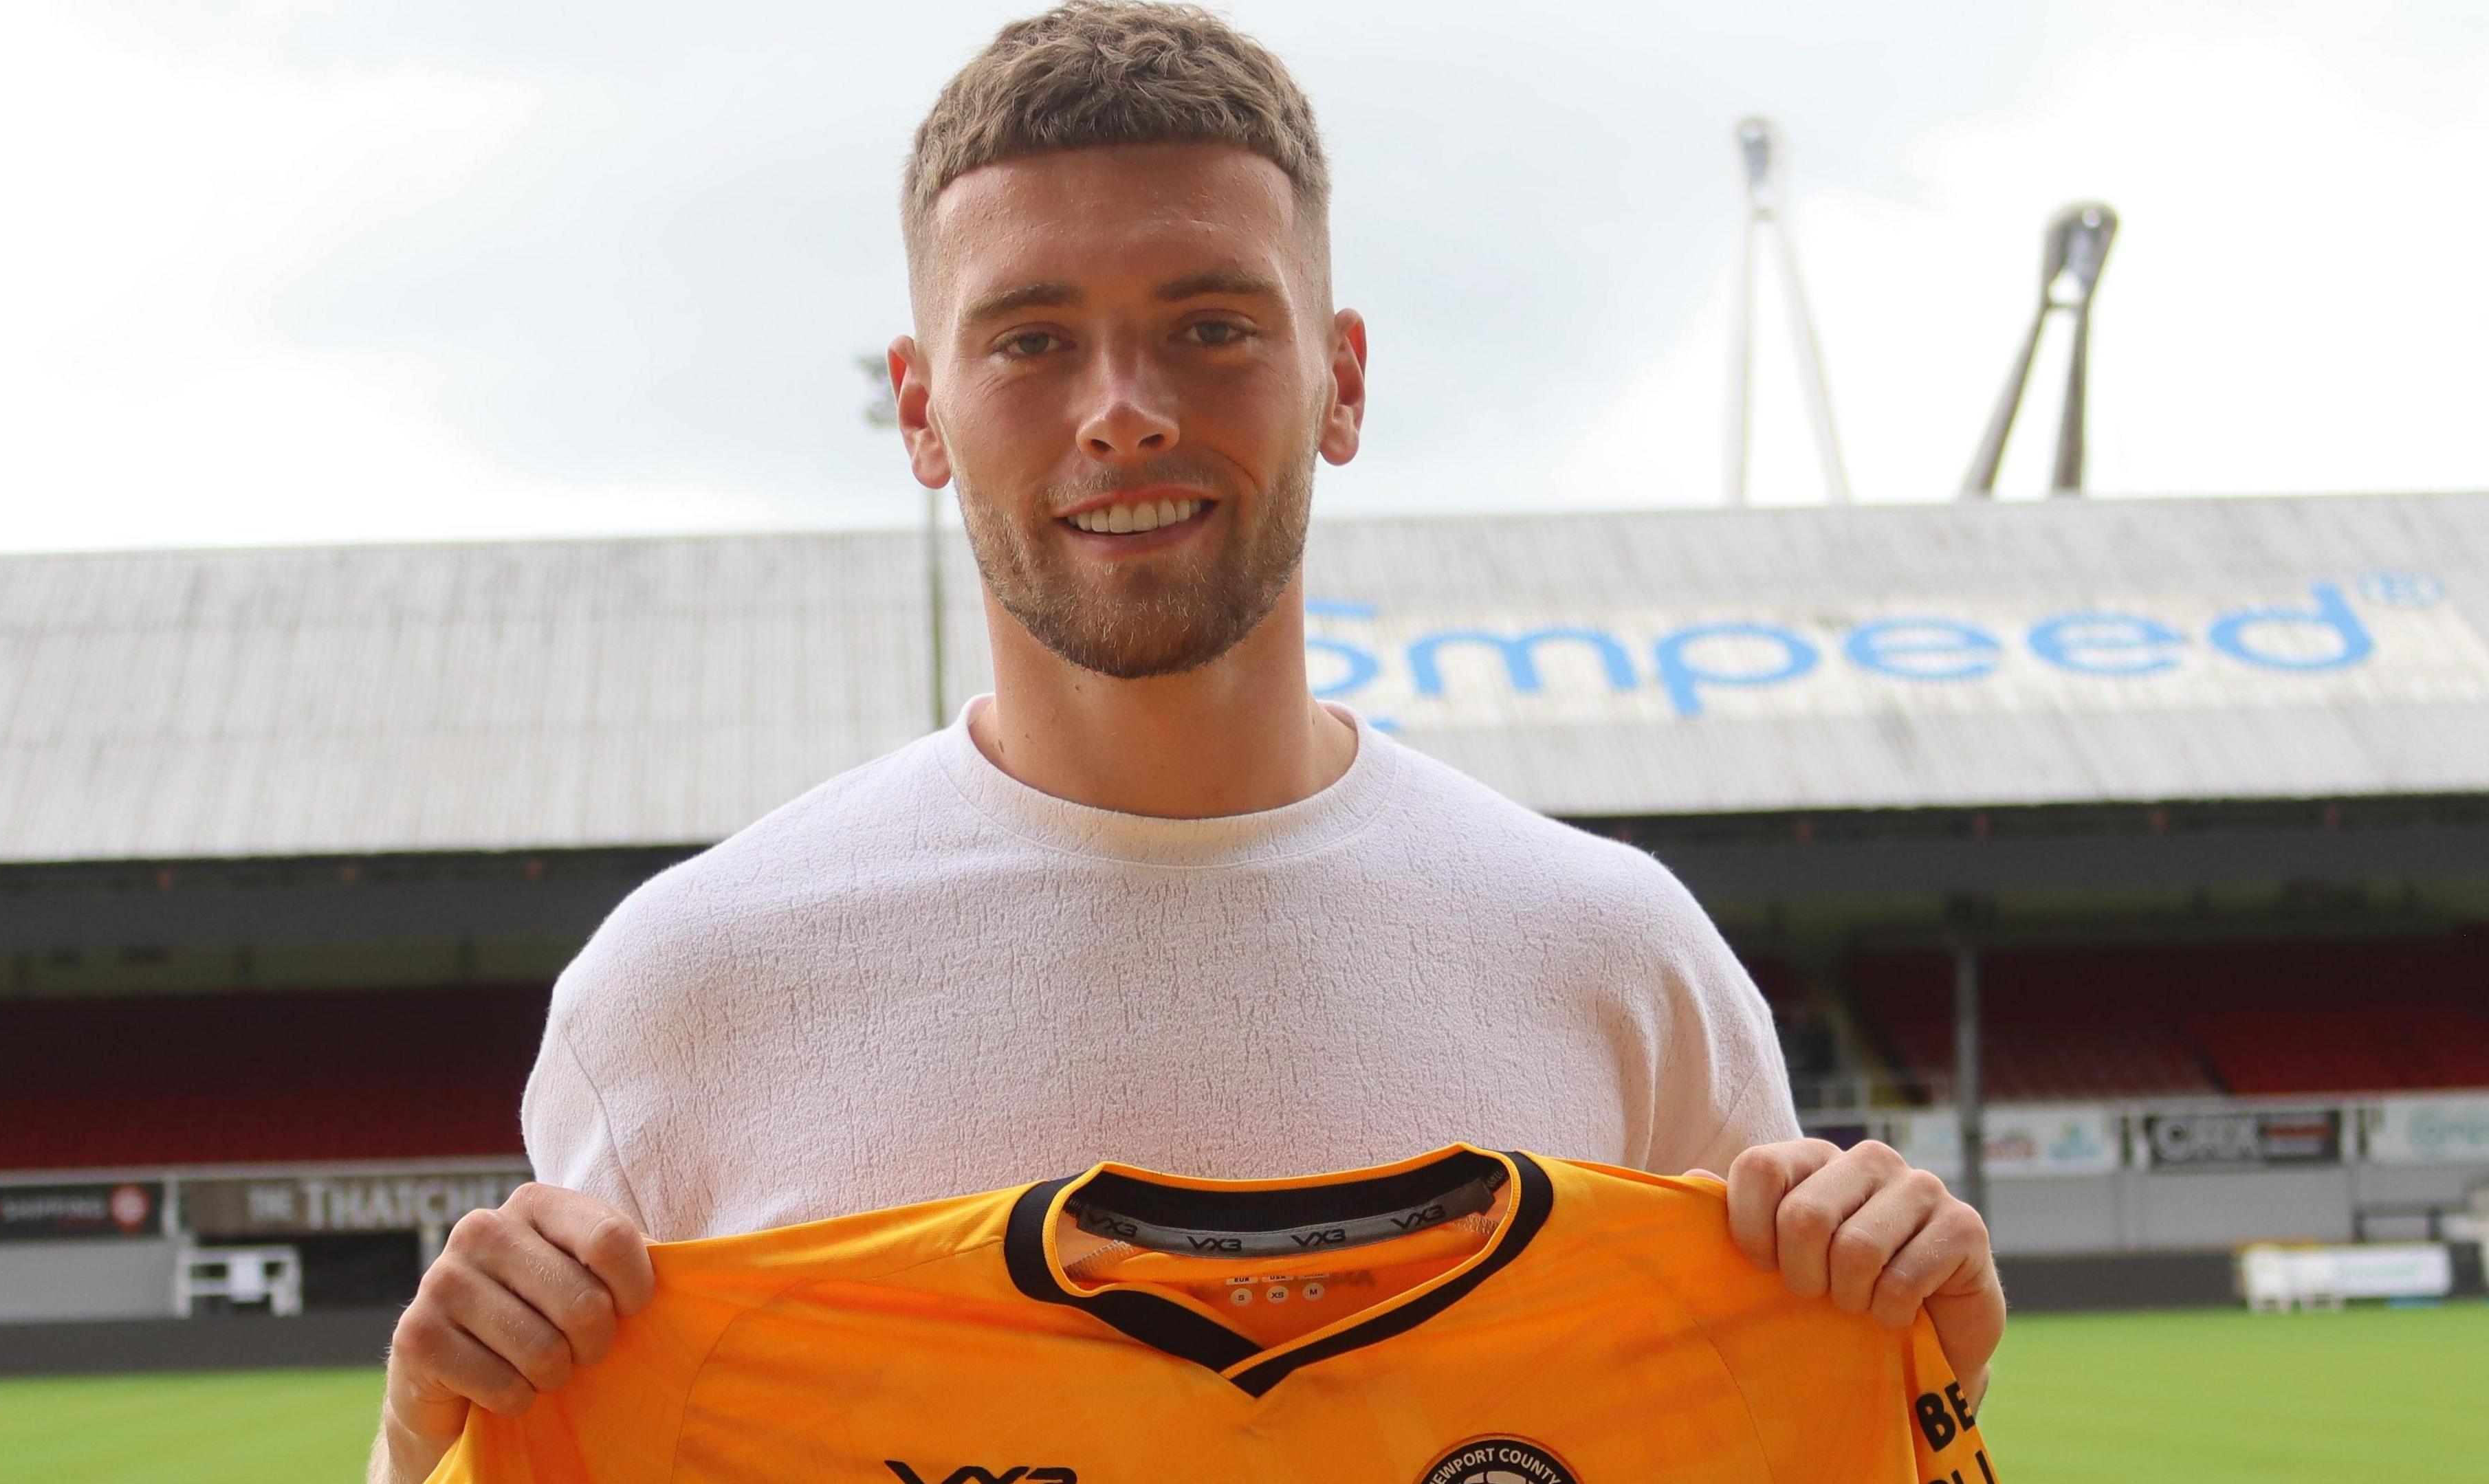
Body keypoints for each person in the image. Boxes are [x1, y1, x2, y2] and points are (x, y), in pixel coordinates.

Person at [368, 5, 2003, 1481]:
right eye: (1029, 339)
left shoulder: (1616, 954)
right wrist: (418, 1447)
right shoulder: (679, 992)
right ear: (922, 410)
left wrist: (1918, 1360)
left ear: (1340, 381)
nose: (1123, 409)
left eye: (1213, 324)